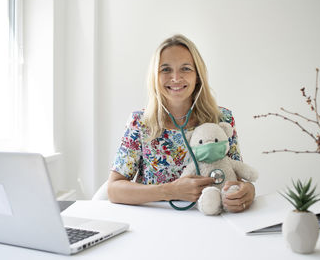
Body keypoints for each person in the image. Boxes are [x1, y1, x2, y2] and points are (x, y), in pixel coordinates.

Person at [107, 34, 255, 213]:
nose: (176, 78)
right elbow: (114, 190)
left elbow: (237, 177)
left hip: (212, 222)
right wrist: (170, 191)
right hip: (156, 224)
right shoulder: (140, 123)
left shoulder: (222, 119)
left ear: (198, 76)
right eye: (166, 69)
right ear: (155, 76)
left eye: (185, 68)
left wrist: (248, 191)